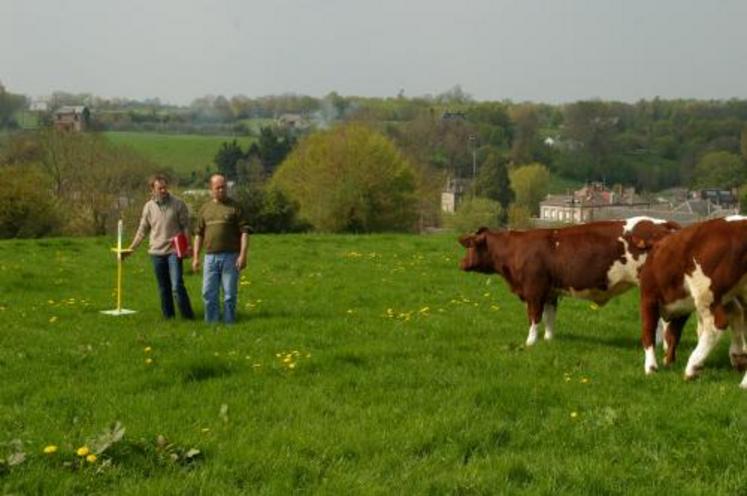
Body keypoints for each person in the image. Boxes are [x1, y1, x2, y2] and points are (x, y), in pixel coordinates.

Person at [125, 175, 195, 319]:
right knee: (164, 288)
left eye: (165, 187)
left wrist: (189, 246)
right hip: (156, 253)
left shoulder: (178, 204)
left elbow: (186, 227)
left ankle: (188, 317)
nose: (163, 190)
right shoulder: (148, 207)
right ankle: (169, 318)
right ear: (152, 189)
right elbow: (142, 230)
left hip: (174, 251)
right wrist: (131, 248)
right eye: (160, 188)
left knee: (176, 286)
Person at [192, 173, 251, 324]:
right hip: (210, 257)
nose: (221, 190)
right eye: (217, 188)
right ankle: (211, 323)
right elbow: (198, 234)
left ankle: (229, 322)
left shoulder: (235, 207)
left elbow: (244, 232)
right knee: (208, 293)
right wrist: (196, 257)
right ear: (211, 189)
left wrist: (243, 255)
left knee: (230, 294)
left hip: (231, 257)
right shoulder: (205, 209)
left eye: (223, 187)